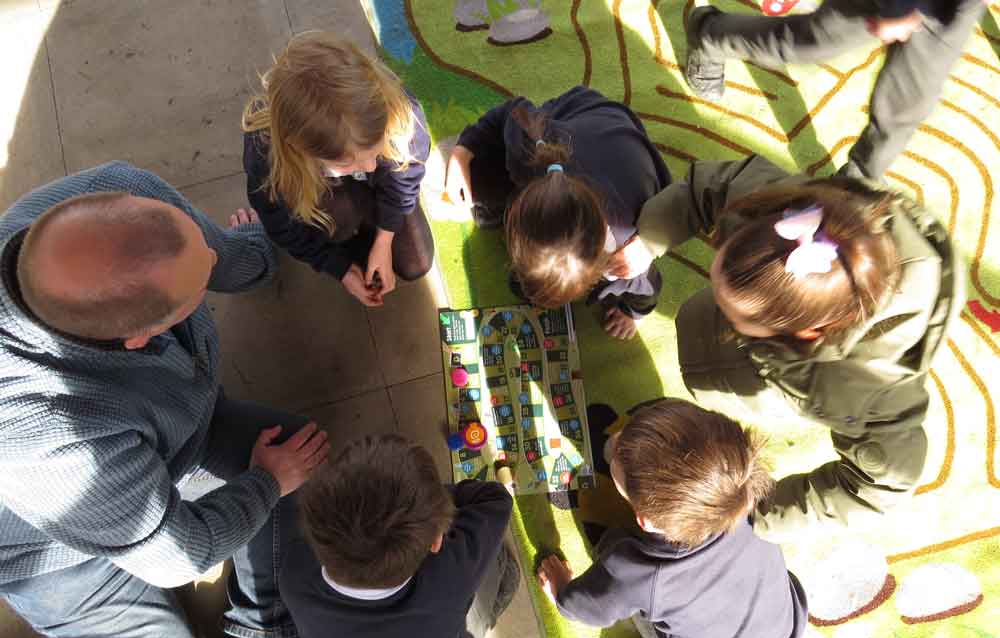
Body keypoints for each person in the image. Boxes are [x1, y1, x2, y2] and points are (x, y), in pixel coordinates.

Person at [0, 162, 330, 638]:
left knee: (294, 444)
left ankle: (263, 626)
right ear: (137, 339)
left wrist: (257, 253)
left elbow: (221, 255)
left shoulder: (121, 193)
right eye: (199, 284)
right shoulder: (55, 443)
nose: (211, 254)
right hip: (51, 558)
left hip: (169, 436)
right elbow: (180, 555)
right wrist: (266, 483)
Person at [638, 155, 962, 540]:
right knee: (712, 322)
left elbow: (878, 488)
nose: (724, 316)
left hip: (765, 386)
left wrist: (756, 511)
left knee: (729, 367)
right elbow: (715, 183)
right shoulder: (782, 220)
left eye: (734, 316)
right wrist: (648, 237)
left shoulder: (870, 390)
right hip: (764, 354)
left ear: (805, 334)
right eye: (718, 284)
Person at [537, 399, 808, 638]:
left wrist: (561, 590)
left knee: (609, 537)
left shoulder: (638, 571)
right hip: (787, 629)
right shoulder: (756, 492)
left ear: (645, 521)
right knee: (653, 412)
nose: (615, 442)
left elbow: (586, 608)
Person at [280, 434, 521, 638]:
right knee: (502, 567)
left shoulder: (295, 578)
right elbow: (497, 500)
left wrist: (422, 511)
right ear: (436, 542)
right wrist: (431, 503)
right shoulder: (448, 575)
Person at [444, 86, 672, 340]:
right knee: (478, 173)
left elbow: (649, 288)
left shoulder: (627, 259)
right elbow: (510, 111)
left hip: (621, 145)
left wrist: (633, 313)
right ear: (518, 202)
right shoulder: (534, 146)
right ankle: (489, 196)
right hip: (582, 112)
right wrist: (462, 152)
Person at [682, 0, 987, 179]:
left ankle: (856, 182)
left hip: (952, 8)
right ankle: (708, 34)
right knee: (812, 42)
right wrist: (897, 8)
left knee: (911, 101)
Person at [243, 32, 434, 308]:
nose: (370, 166)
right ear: (300, 149)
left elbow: (406, 176)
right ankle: (345, 235)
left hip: (360, 194)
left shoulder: (402, 111)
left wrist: (384, 240)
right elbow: (281, 226)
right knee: (338, 220)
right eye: (347, 162)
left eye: (377, 151)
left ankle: (364, 228)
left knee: (417, 264)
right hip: (320, 195)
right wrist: (339, 268)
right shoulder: (267, 160)